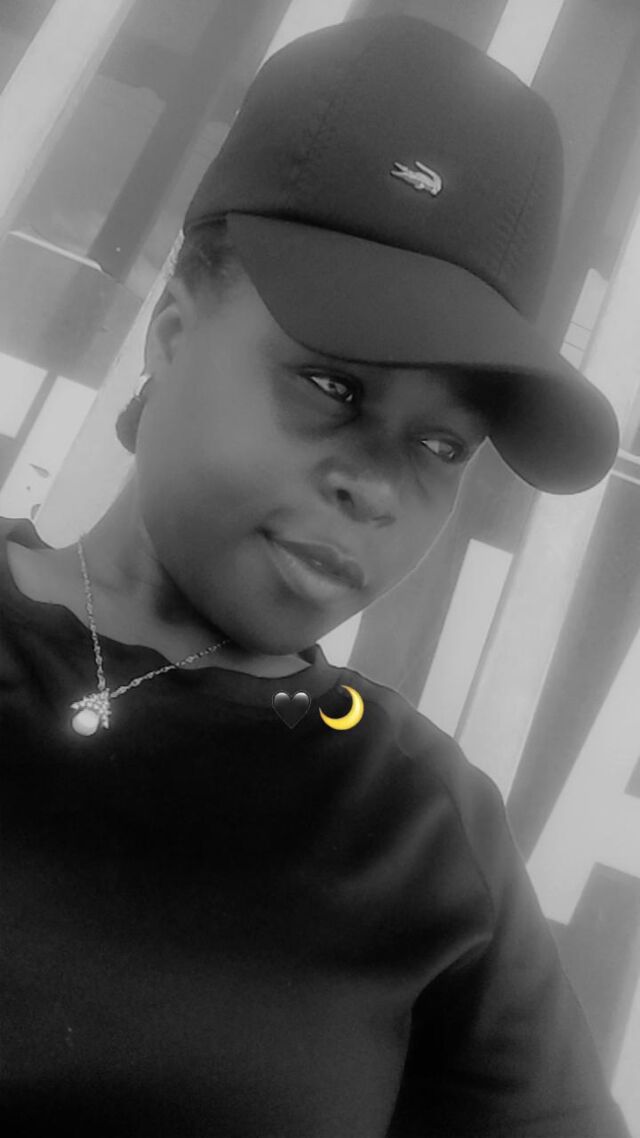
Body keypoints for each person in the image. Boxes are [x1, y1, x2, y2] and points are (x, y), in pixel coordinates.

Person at [0, 14, 630, 1138]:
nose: (377, 486)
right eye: (334, 387)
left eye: (441, 443)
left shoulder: (422, 834)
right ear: (172, 330)